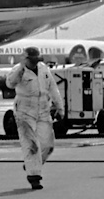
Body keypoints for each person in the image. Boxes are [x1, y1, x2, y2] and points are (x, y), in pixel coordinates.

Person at [5, 46, 63, 189]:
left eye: (36, 60)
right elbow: (9, 83)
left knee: (48, 145)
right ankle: (34, 176)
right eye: (31, 60)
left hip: (43, 109)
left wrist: (59, 106)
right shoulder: (18, 70)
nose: (34, 63)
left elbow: (53, 87)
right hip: (25, 112)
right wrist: (20, 70)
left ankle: (32, 164)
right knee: (31, 145)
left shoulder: (43, 69)